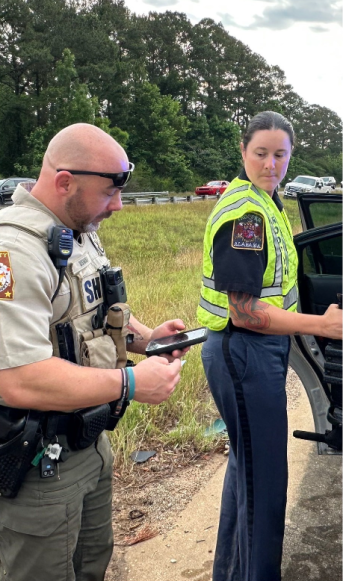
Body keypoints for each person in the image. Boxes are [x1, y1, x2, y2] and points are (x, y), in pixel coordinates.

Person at [0, 123, 187, 581]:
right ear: (65, 182)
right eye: (109, 192)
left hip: (89, 442)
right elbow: (17, 378)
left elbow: (100, 310)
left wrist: (149, 339)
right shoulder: (12, 251)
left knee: (92, 566)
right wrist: (130, 384)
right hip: (37, 463)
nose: (119, 205)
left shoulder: (76, 229)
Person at [197, 111, 342, 581]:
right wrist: (320, 325)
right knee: (265, 483)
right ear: (243, 152)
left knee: (249, 472)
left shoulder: (269, 201)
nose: (271, 164)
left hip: (251, 351)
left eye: (281, 155)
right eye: (261, 153)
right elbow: (245, 311)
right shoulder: (247, 214)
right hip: (243, 350)